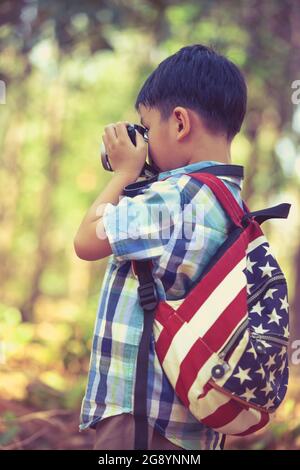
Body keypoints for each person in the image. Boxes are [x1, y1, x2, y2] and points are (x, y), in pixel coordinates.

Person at [74, 43, 247, 450]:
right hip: (193, 422)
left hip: (142, 418)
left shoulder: (176, 198)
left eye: (147, 129)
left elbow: (86, 241)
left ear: (181, 123)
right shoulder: (232, 203)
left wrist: (124, 173)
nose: (143, 142)